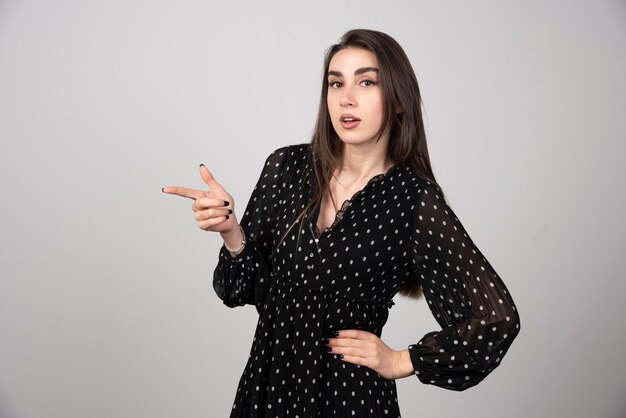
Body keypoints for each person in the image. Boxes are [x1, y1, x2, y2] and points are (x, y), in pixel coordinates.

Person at [163, 28, 521, 417]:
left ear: (398, 101)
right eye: (336, 83)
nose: (346, 98)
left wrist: (403, 360)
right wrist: (232, 233)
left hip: (351, 399)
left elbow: (495, 316)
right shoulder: (286, 167)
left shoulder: (412, 198)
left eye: (366, 82)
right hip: (269, 388)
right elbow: (242, 291)